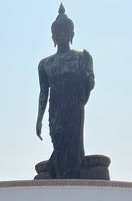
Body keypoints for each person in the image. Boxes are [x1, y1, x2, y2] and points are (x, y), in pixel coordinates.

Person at [36, 3, 95, 179]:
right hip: (55, 109)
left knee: (72, 145)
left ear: (72, 34)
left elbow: (90, 83)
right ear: (53, 37)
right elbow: (43, 93)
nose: (62, 34)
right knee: (58, 139)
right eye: (58, 32)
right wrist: (39, 120)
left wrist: (86, 75)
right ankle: (60, 180)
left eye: (65, 31)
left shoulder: (81, 57)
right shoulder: (45, 64)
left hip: (74, 106)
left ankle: (70, 181)